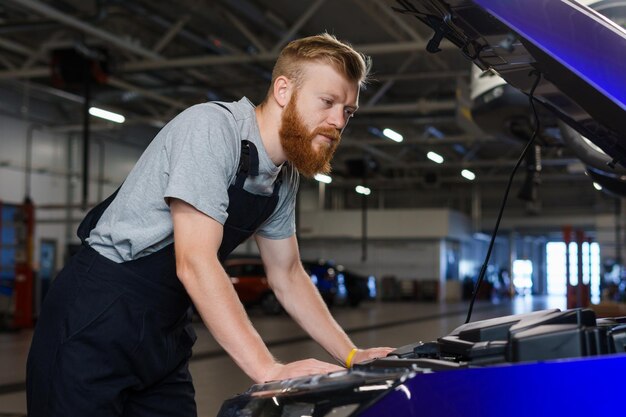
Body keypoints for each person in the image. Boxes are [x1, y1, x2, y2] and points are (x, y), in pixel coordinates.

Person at [26, 33, 395, 416]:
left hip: (165, 329)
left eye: (348, 112)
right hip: (96, 316)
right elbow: (196, 262)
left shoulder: (283, 177)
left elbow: (287, 274)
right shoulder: (212, 130)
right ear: (283, 90)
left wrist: (351, 354)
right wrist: (268, 369)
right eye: (328, 102)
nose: (338, 122)